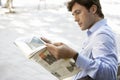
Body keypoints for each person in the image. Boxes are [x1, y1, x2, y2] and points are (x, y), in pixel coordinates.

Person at [41, 0, 118, 80]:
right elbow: (88, 65)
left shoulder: (102, 34)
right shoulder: (94, 33)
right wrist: (61, 52)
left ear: (93, 9)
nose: (75, 19)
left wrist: (74, 55)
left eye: (78, 12)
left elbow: (109, 75)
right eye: (73, 15)